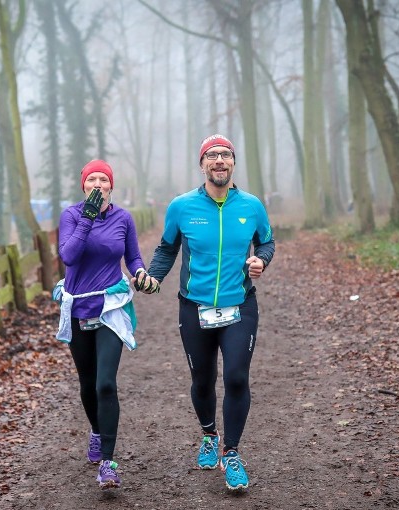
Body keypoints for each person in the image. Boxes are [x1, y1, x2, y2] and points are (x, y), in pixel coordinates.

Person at [138, 134, 275, 491]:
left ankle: (231, 453)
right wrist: (153, 278)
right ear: (202, 164)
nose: (219, 161)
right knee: (202, 380)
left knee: (236, 377)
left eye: (225, 155)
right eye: (212, 155)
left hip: (239, 305)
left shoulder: (251, 205)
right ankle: (209, 435)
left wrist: (261, 259)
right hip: (194, 307)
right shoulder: (182, 207)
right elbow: (167, 249)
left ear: (232, 163)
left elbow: (267, 241)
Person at [56, 159, 154, 489]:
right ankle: (96, 431)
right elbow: (69, 256)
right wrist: (88, 217)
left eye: (103, 179)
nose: (97, 183)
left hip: (110, 308)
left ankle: (108, 463)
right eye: (91, 179)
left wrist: (140, 272)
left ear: (111, 185)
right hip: (77, 309)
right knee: (87, 383)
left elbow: (133, 257)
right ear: (83, 185)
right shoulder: (71, 216)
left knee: (105, 384)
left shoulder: (123, 218)